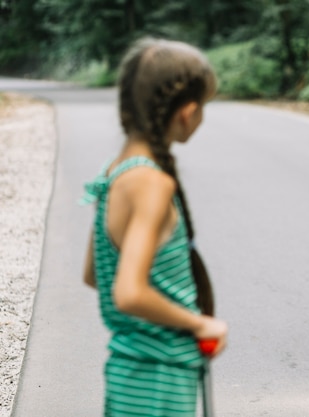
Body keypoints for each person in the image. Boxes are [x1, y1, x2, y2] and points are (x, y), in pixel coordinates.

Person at [80, 37, 228, 417]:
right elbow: (128, 293)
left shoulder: (115, 172)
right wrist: (200, 324)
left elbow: (95, 274)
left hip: (127, 371)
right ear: (187, 112)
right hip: (161, 373)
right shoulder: (151, 183)